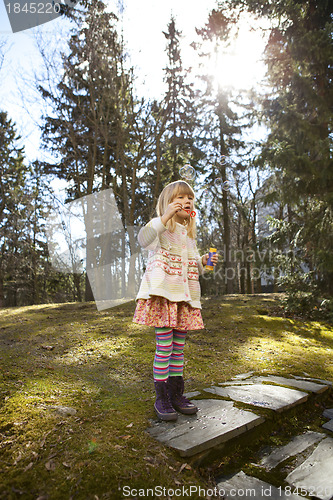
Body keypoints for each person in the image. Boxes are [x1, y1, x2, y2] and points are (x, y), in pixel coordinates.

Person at [133, 180, 218, 421]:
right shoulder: (160, 229)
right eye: (178, 199)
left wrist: (205, 262)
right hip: (164, 296)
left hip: (184, 299)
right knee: (165, 347)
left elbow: (195, 268)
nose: (186, 202)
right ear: (167, 205)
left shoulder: (188, 236)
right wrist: (165, 216)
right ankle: (161, 398)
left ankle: (176, 394)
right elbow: (143, 238)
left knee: (178, 349)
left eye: (189, 198)